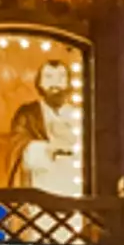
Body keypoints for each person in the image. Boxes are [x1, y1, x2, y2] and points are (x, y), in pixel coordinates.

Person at [7, 60, 81, 197]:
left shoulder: (80, 114)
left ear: (69, 82)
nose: (56, 84)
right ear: (39, 83)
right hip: (41, 186)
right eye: (48, 77)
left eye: (61, 77)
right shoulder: (28, 114)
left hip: (74, 186)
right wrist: (47, 148)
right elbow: (17, 146)